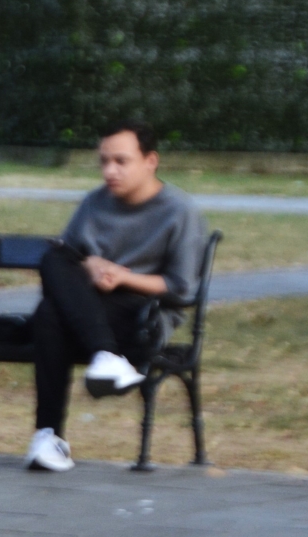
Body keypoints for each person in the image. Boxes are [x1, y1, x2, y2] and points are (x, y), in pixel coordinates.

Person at [25, 120, 209, 472]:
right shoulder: (94, 203)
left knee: (50, 315)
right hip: (90, 308)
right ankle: (102, 360)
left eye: (121, 161)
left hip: (143, 315)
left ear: (150, 161)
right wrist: (91, 266)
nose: (110, 171)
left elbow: (182, 287)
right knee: (53, 264)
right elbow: (67, 262)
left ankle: (49, 433)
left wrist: (125, 276)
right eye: (104, 161)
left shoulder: (178, 210)